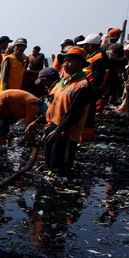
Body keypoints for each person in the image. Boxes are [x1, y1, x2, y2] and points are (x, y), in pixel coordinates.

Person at [43, 47, 93, 175]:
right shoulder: (62, 82)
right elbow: (51, 105)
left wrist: (59, 130)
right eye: (64, 61)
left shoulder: (83, 85)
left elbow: (74, 112)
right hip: (52, 126)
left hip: (66, 132)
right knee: (50, 161)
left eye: (70, 61)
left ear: (80, 62)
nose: (65, 64)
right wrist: (37, 122)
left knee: (60, 166)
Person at [80, 34, 107, 141]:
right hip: (88, 87)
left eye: (85, 45)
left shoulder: (99, 57)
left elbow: (98, 77)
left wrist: (92, 91)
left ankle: (86, 136)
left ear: (90, 45)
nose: (84, 48)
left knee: (88, 112)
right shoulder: (93, 55)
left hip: (91, 89)